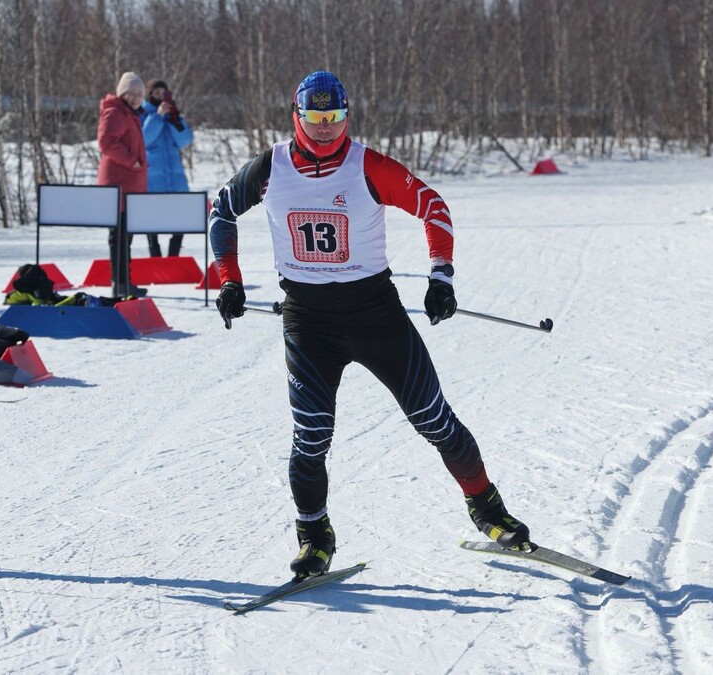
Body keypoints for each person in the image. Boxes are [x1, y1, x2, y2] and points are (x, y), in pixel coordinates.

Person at [209, 71, 531, 579]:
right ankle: (314, 536)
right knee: (310, 437)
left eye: (333, 118)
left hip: (375, 312)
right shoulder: (269, 167)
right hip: (308, 320)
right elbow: (220, 212)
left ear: (346, 116)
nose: (323, 129)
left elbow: (433, 207)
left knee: (433, 419)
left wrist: (440, 277)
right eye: (314, 119)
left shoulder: (367, 165)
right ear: (296, 116)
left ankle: (487, 508)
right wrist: (229, 280)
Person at [97, 71, 147, 298]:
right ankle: (119, 283)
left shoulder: (129, 113)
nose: (136, 97)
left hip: (128, 183)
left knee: (125, 235)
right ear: (122, 93)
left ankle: (125, 281)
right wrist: (132, 160)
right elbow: (105, 142)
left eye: (139, 93)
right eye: (131, 92)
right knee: (119, 236)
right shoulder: (116, 112)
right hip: (118, 183)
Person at [142, 79, 193, 258]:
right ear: (149, 95)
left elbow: (184, 141)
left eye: (163, 93)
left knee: (181, 219)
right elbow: (143, 140)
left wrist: (174, 119)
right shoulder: (142, 114)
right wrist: (156, 116)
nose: (160, 97)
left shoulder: (174, 115)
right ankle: (155, 256)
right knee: (152, 221)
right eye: (156, 93)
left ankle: (173, 256)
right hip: (153, 177)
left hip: (175, 176)